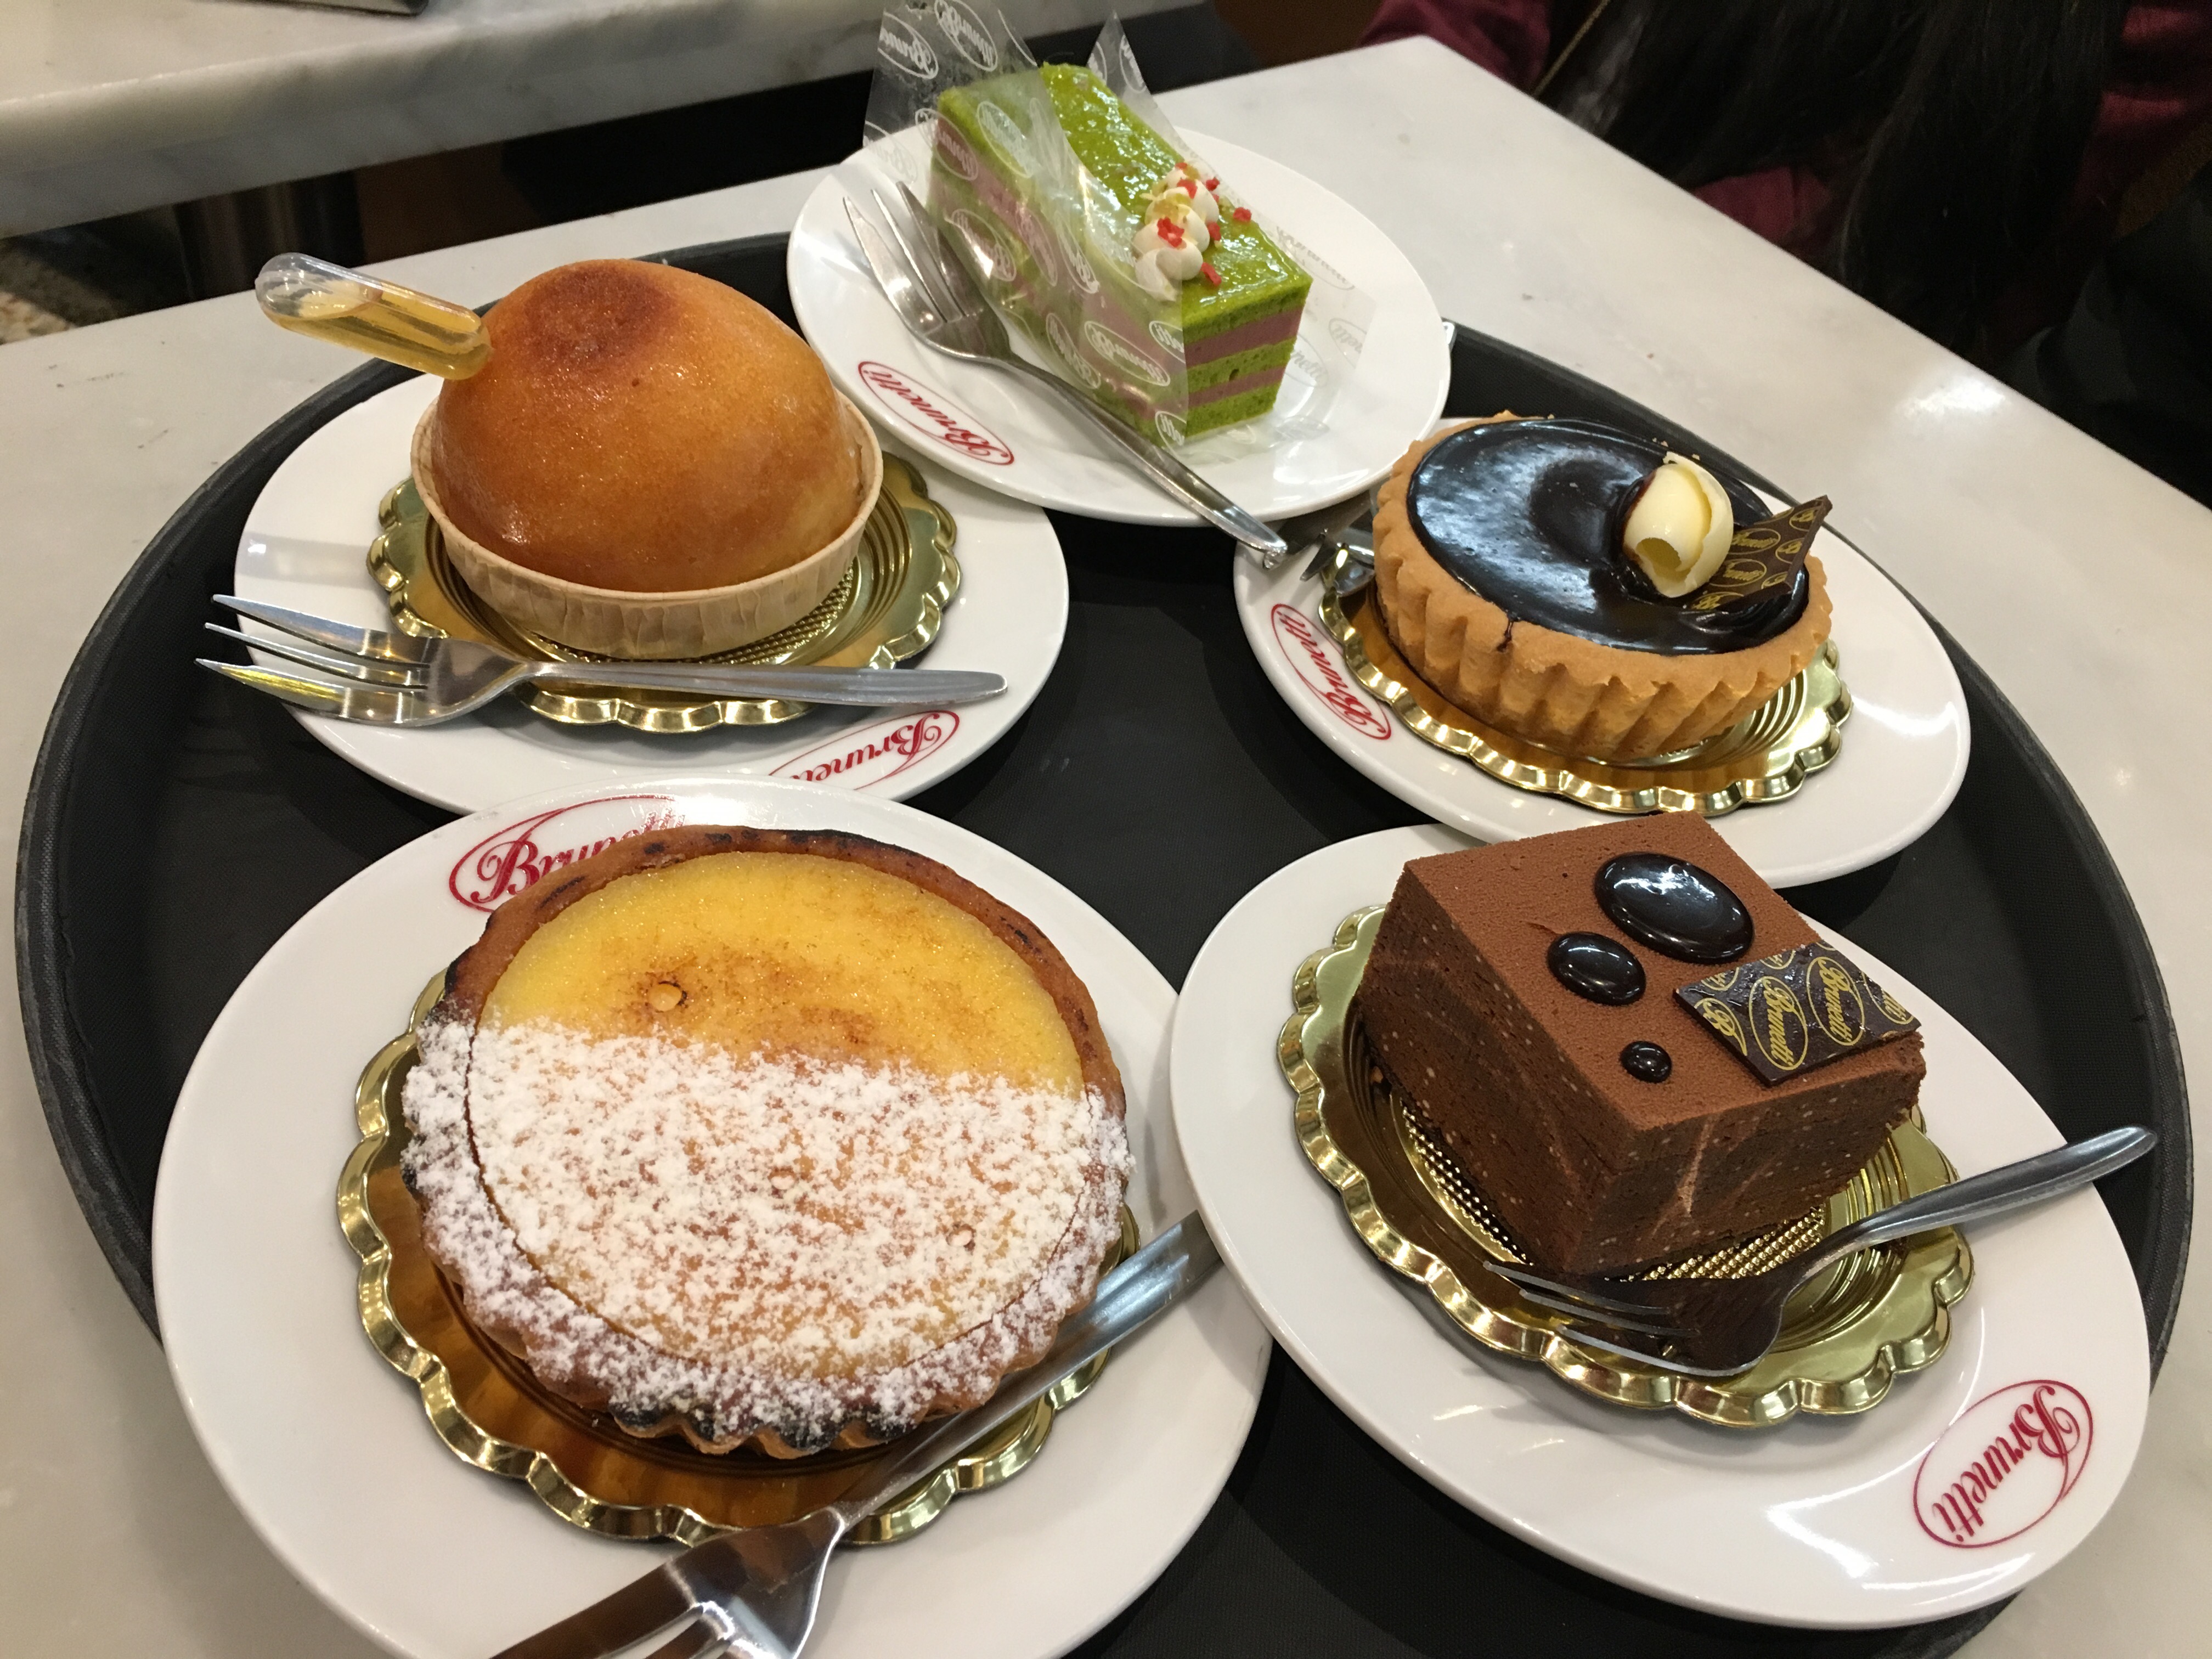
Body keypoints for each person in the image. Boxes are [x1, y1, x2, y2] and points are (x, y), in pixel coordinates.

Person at [1363, 0, 2212, 362]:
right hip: (1485, 227)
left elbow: (1879, 222)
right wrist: (1413, 123)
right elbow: (1456, 28)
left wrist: (1545, 251)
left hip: (1810, 364)